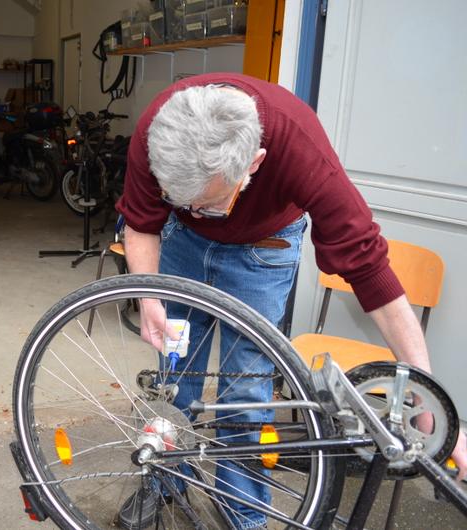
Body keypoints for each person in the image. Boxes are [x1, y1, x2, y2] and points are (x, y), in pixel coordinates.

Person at [116, 72, 467, 529]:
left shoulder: (299, 144)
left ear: (255, 162)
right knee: (175, 371)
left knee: (245, 388)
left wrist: (429, 402)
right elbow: (142, 224)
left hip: (265, 250)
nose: (202, 213)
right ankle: (164, 480)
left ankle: (243, 509)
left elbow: (371, 272)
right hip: (180, 245)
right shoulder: (159, 131)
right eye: (185, 200)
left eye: (211, 203)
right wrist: (149, 300)